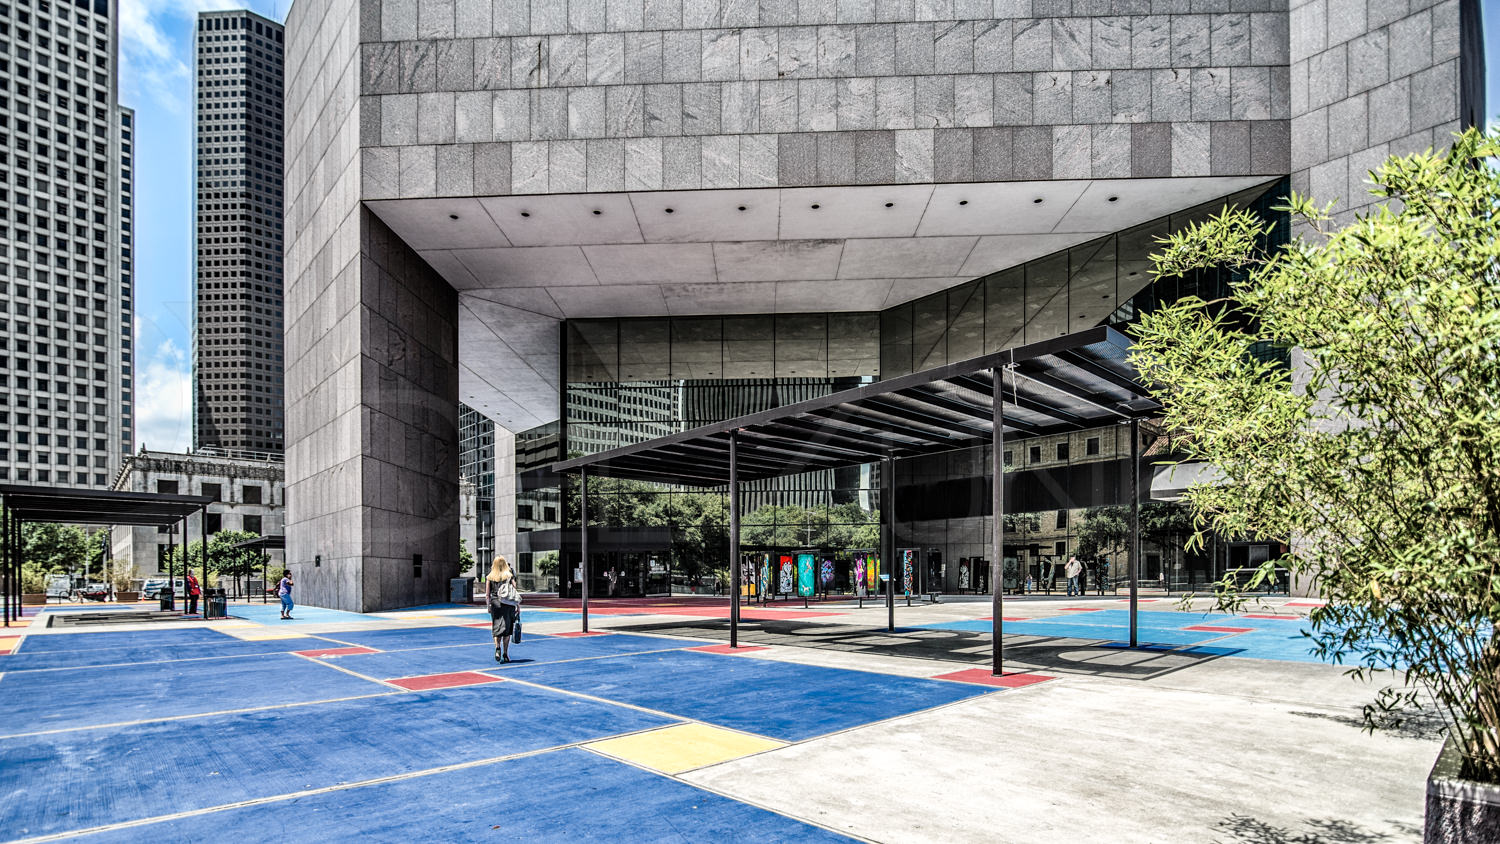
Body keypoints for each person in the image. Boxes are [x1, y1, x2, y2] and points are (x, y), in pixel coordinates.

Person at [486, 555, 522, 663]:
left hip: (495, 603)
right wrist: (518, 606)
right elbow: (514, 592)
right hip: (508, 603)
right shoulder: (509, 576)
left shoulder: (490, 577)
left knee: (497, 626)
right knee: (507, 629)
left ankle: (497, 648)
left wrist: (488, 606)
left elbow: (487, 594)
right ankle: (505, 654)